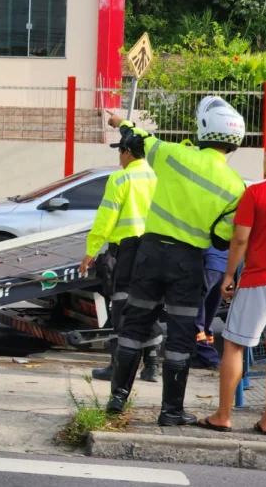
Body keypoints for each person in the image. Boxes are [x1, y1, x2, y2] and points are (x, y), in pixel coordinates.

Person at [106, 96, 246, 427]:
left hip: (150, 254)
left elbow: (137, 139)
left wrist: (120, 122)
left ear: (203, 129)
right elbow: (221, 239)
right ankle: (171, 411)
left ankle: (116, 400)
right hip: (188, 263)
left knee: (135, 324)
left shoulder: (172, 154)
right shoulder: (236, 186)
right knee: (181, 335)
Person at [197, 137, 266, 435]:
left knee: (235, 345)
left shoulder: (257, 192)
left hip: (260, 278)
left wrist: (229, 275)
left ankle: (223, 416)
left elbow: (239, 239)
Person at [79, 130, 161, 383]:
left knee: (121, 307)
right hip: (155, 250)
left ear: (127, 153)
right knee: (147, 305)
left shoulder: (121, 178)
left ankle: (118, 366)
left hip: (126, 250)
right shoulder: (159, 178)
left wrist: (91, 251)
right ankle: (152, 365)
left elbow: (106, 218)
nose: (119, 158)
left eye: (120, 153)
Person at [194, 246, 228, 369]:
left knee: (196, 314)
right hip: (223, 267)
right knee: (207, 316)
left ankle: (210, 357)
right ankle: (201, 356)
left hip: (207, 265)